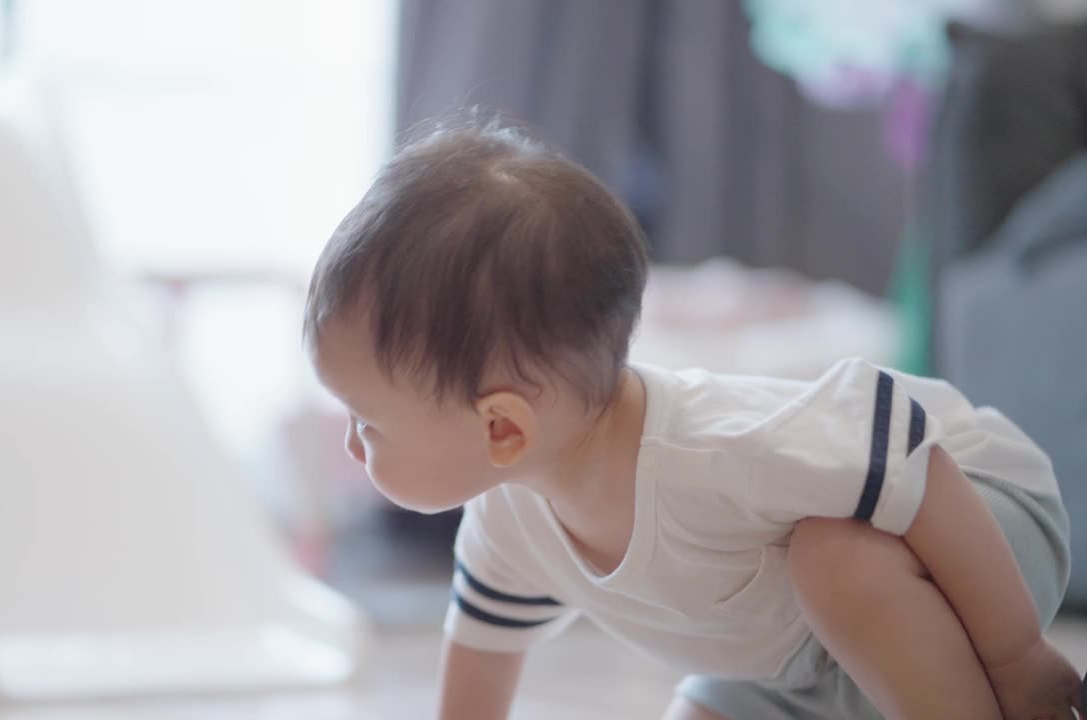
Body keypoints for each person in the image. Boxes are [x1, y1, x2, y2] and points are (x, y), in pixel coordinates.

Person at [303, 119, 1081, 720]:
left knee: (835, 557)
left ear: (503, 427)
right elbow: (477, 668)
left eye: (367, 421)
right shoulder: (509, 521)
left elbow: (912, 455)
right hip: (791, 650)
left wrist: (1015, 658)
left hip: (973, 525)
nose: (350, 441)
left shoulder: (717, 447)